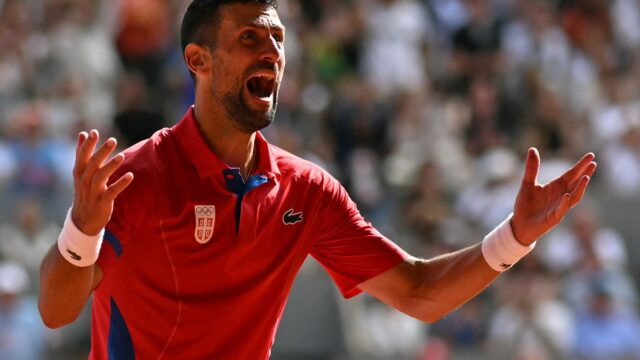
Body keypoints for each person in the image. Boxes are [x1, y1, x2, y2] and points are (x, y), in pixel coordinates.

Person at [37, 1, 597, 359]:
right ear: (197, 60)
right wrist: (82, 231)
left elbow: (420, 294)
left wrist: (517, 237)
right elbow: (57, 310)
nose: (273, 53)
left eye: (278, 39)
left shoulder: (307, 191)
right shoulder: (138, 175)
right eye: (251, 39)